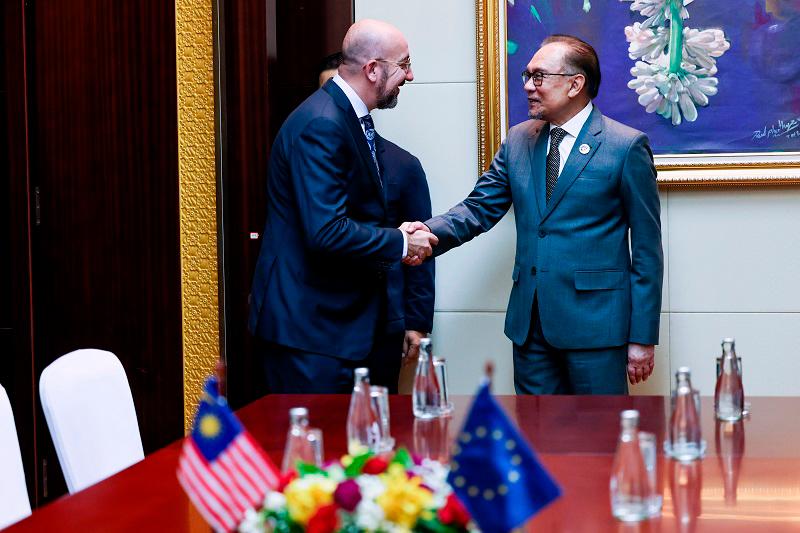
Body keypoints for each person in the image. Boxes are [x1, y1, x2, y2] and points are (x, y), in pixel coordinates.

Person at [405, 35, 663, 395]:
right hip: (531, 327)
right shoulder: (518, 140)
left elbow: (648, 252)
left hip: (597, 329)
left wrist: (642, 337)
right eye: (527, 75)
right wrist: (421, 235)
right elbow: (478, 208)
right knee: (535, 437)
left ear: (576, 83)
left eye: (539, 76)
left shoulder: (625, 146)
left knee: (598, 442)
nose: (528, 86)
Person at [248, 19, 439, 393]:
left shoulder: (346, 117)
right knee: (316, 447)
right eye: (404, 65)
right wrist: (401, 242)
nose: (410, 75)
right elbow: (326, 231)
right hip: (310, 331)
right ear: (373, 69)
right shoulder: (324, 122)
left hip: (338, 326)